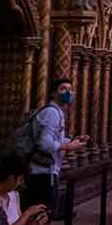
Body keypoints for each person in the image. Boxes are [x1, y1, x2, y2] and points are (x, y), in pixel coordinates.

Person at [23, 77, 90, 213]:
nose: (68, 92)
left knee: (43, 214)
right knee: (42, 215)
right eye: (63, 89)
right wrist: (69, 147)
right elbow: (45, 144)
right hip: (42, 172)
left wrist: (72, 141)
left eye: (70, 89)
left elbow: (54, 139)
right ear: (53, 93)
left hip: (46, 170)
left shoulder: (56, 112)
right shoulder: (52, 112)